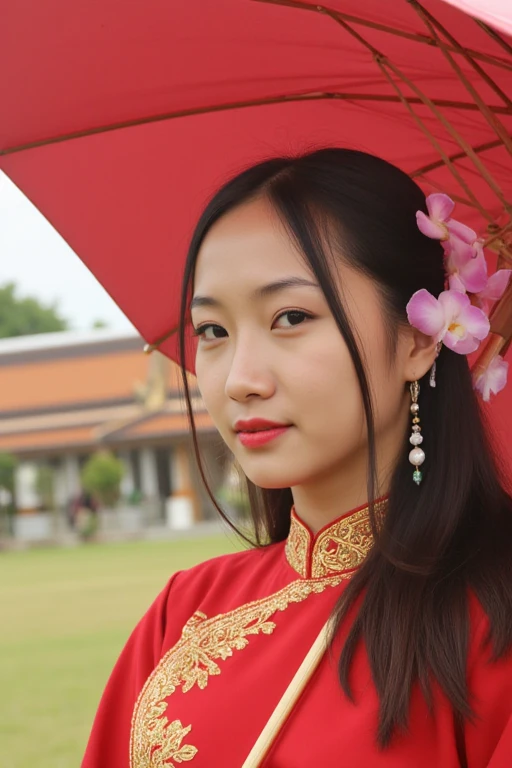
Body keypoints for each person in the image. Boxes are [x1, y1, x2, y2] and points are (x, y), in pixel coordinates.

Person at [82, 149, 512, 767]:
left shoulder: (493, 623)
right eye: (212, 331)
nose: (239, 380)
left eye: (291, 317)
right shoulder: (186, 611)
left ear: (419, 337)